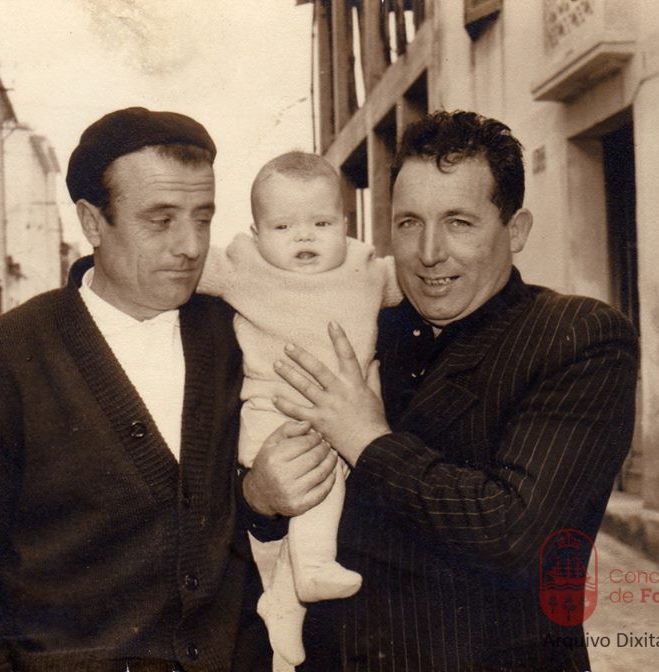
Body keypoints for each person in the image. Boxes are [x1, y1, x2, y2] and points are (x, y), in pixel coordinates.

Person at [0, 107, 333, 672]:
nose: (190, 246)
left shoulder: (238, 335)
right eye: (161, 220)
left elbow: (226, 522)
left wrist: (256, 499)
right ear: (92, 222)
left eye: (202, 218)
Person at [272, 110, 640, 671]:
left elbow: (519, 536)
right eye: (409, 223)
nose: (429, 252)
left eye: (459, 222)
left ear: (515, 230)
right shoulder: (366, 325)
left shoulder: (577, 335)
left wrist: (368, 441)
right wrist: (261, 498)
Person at [197, 151, 402, 665]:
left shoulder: (366, 270)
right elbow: (182, 265)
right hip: (276, 412)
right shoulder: (245, 266)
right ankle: (303, 576)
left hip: (349, 417)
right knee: (313, 484)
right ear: (256, 232)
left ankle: (286, 602)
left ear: (346, 225)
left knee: (328, 486)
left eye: (321, 223)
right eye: (283, 226)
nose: (304, 236)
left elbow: (418, 277)